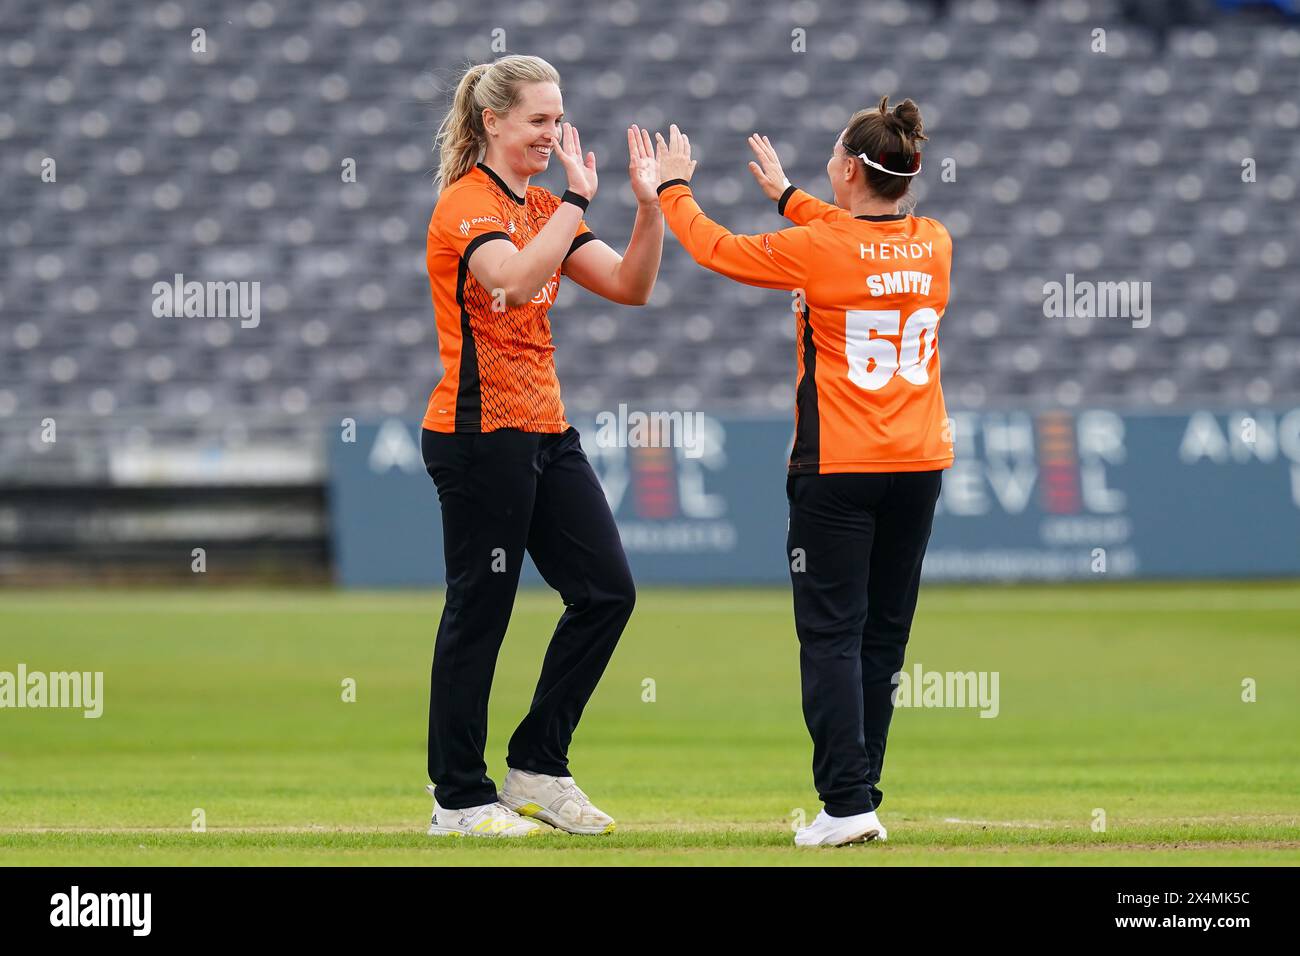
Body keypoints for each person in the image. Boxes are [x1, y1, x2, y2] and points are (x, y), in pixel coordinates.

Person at [654, 98, 954, 846]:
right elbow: (855, 234)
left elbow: (716, 249)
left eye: (831, 158)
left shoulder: (817, 250)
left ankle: (846, 805)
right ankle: (861, 796)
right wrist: (790, 196)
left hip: (838, 468)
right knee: (883, 638)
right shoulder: (936, 242)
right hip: (919, 465)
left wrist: (673, 188)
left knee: (831, 637)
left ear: (851, 169)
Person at [421, 55, 663, 838]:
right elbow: (516, 282)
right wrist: (578, 199)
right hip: (478, 434)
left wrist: (649, 207)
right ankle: (457, 797)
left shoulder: (543, 206)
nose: (551, 134)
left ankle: (537, 766)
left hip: (544, 432)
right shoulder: (468, 205)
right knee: (480, 608)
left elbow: (631, 286)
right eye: (538, 121)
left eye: (557, 120)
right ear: (493, 122)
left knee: (607, 593)